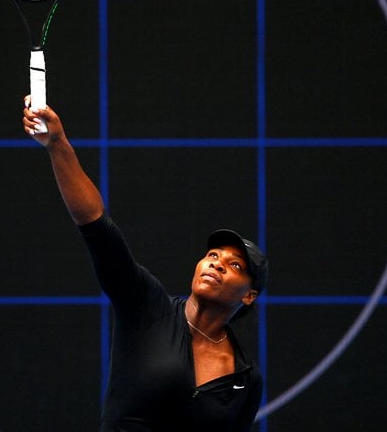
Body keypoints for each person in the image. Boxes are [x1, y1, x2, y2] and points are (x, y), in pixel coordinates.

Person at [22, 97, 269, 432]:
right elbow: (96, 225)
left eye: (235, 265)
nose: (217, 265)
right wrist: (58, 145)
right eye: (212, 255)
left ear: (249, 295)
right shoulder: (146, 307)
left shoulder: (246, 378)